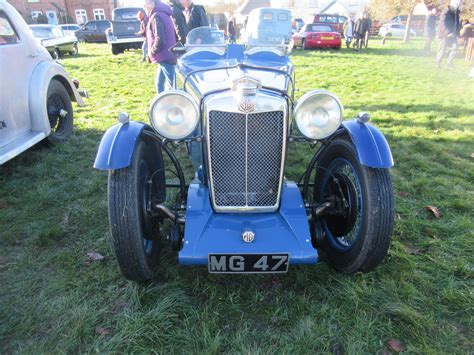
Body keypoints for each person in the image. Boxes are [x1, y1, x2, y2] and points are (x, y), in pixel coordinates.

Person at [144, 0, 177, 94]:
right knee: (159, 82)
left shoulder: (156, 16)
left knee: (174, 84)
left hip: (164, 55)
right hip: (166, 54)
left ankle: (179, 103)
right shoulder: (163, 14)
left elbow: (160, 39)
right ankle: (160, 102)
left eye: (146, 4)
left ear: (152, 4)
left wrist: (153, 50)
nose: (144, 7)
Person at [436, 0, 462, 69]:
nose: (459, 4)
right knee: (442, 49)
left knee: (455, 48)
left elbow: (456, 24)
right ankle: (438, 63)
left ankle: (449, 64)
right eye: (458, 2)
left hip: (453, 34)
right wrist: (448, 32)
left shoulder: (456, 12)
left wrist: (457, 34)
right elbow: (442, 23)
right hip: (445, 34)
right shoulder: (446, 11)